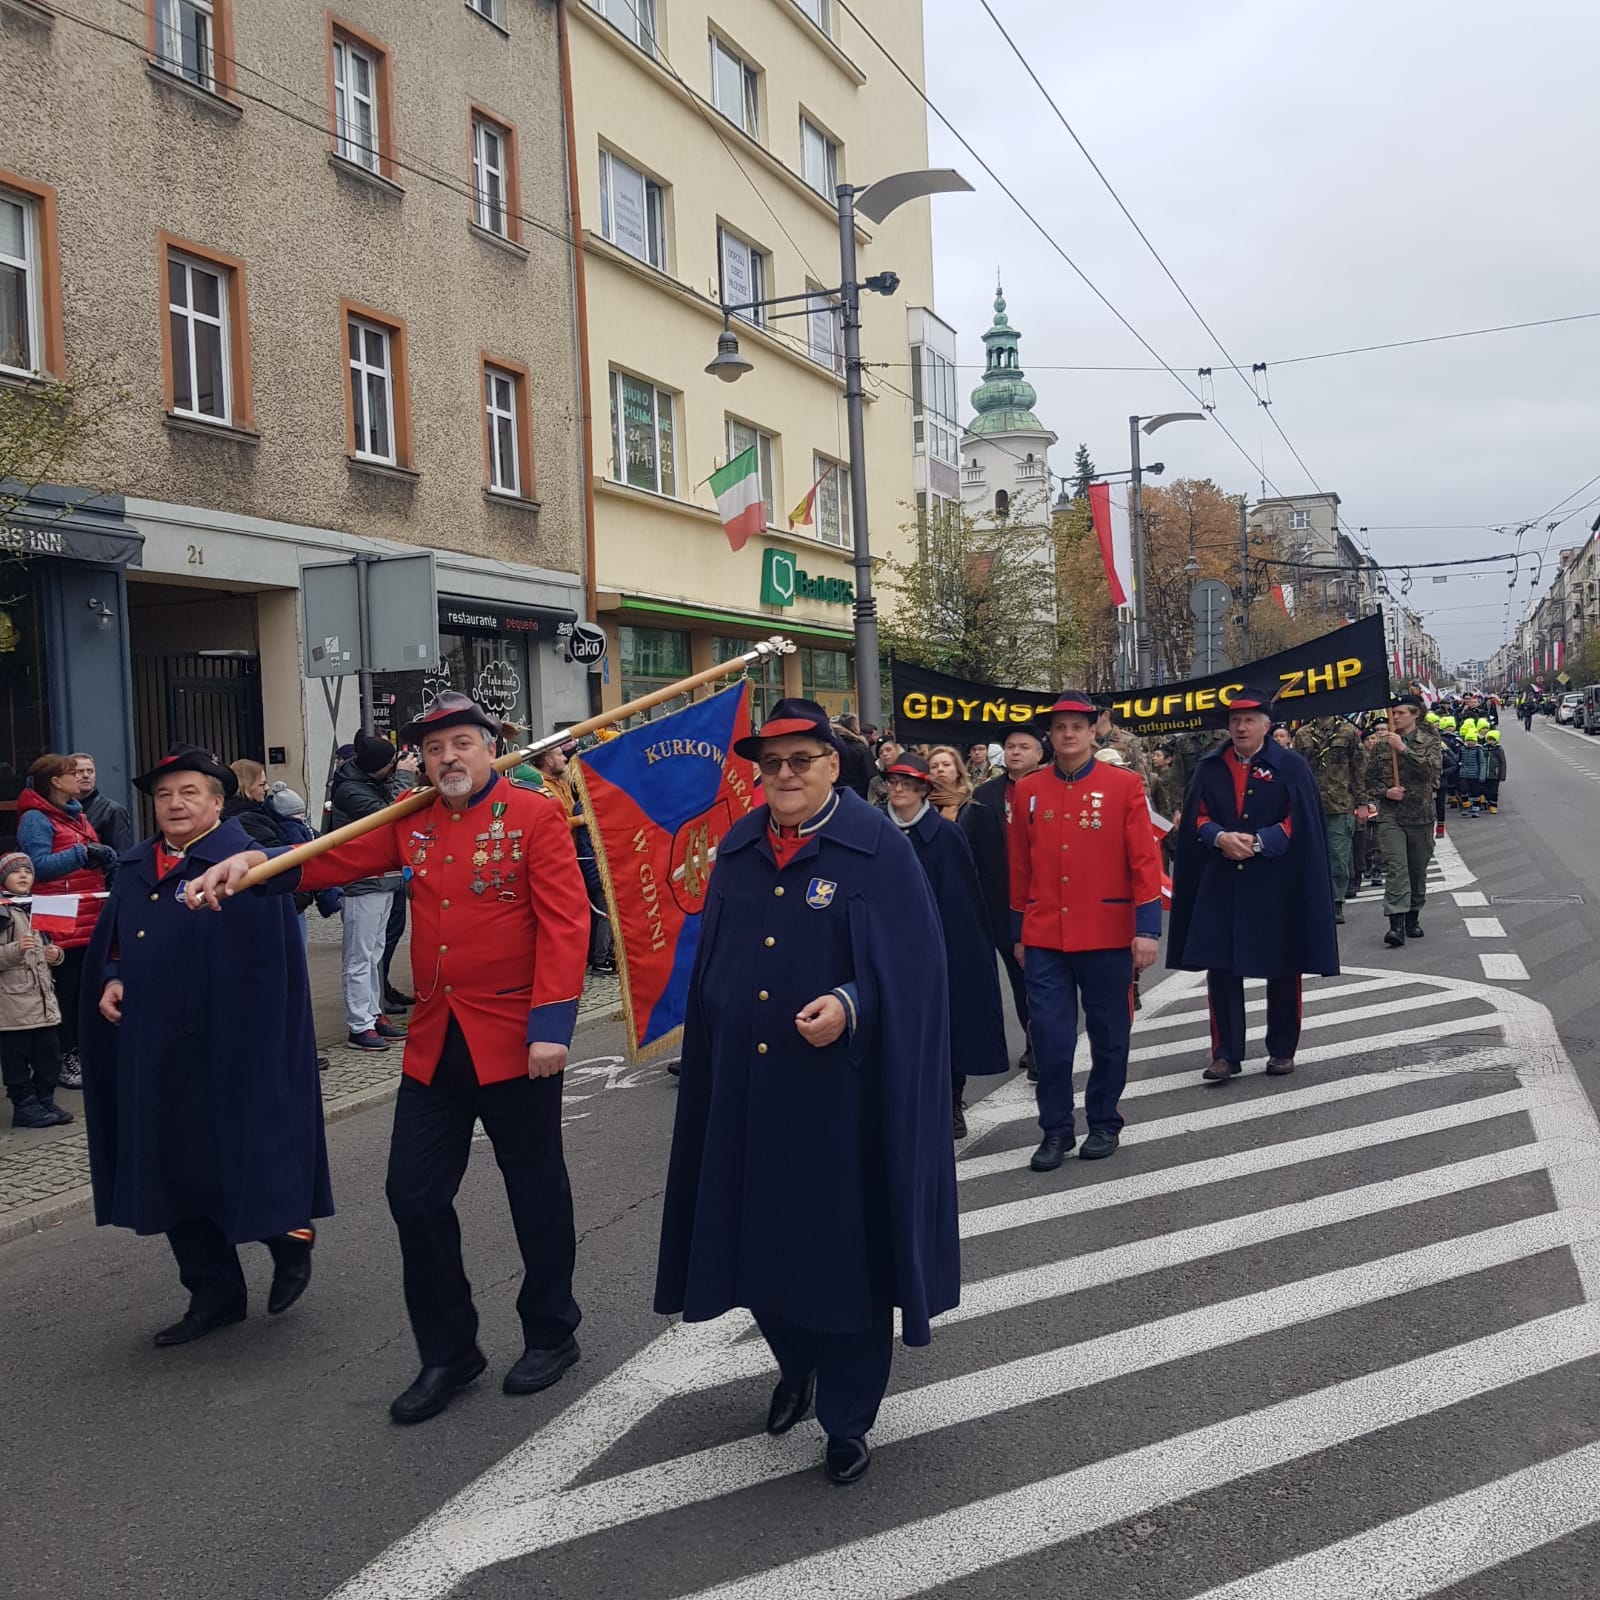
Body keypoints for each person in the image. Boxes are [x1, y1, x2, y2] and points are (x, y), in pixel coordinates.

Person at [189, 692, 591, 1425]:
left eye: (461, 744)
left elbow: (564, 922)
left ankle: (551, 1329)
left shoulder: (533, 815)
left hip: (516, 1038)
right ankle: (450, 1350)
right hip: (437, 1040)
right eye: (434, 749)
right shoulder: (412, 818)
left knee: (535, 1192)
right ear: (421, 761)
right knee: (413, 1194)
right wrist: (254, 861)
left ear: (489, 748)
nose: (448, 758)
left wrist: (552, 1024)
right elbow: (330, 858)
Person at [654, 698, 957, 1487]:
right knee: (756, 1243)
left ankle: (849, 1416)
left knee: (844, 1260)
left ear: (830, 764)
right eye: (772, 764)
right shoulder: (739, 848)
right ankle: (797, 1364)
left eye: (800, 761)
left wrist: (853, 1004)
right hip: (750, 1091)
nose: (785, 775)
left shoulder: (877, 850)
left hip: (842, 1102)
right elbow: (716, 956)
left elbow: (917, 975)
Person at [80, 745, 330, 1347]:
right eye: (164, 795)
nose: (174, 804)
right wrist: (112, 977)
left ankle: (287, 1236)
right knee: (173, 1165)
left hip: (232, 1040)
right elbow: (117, 940)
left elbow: (271, 957)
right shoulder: (136, 865)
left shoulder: (248, 863)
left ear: (218, 803)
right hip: (157, 1045)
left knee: (245, 1147)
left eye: (189, 793)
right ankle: (213, 1292)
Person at [1008, 692, 1163, 1168]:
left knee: (1109, 1035)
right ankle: (1055, 1130)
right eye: (1059, 727)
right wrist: (1019, 930)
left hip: (1107, 931)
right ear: (1050, 735)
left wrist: (1147, 928)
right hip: (1045, 934)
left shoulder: (1123, 785)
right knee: (1050, 1039)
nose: (1068, 734)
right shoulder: (1028, 789)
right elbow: (1019, 865)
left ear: (1093, 730)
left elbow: (1144, 859)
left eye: (1077, 726)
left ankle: (1103, 1121)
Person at [1167, 687, 1339, 1083]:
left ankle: (1282, 1049)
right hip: (1222, 878)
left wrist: (1262, 841)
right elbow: (1196, 816)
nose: (1241, 727)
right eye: (1235, 721)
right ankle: (1225, 1054)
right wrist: (1218, 836)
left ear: (1266, 725)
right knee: (1221, 966)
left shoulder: (1291, 766)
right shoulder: (1210, 766)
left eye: (1248, 720)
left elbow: (1302, 820)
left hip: (1276, 881)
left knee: (1284, 964)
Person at [881, 751, 1008, 1138]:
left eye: (907, 783)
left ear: (923, 790)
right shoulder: (876, 830)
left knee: (948, 1024)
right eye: (893, 782)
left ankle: (951, 1101)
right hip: (886, 946)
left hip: (937, 945)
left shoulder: (945, 834)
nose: (898, 789)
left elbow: (961, 899)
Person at [17, 753, 116, 1090]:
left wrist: (106, 855)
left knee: (87, 987)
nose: (80, 778)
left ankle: (83, 1052)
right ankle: (65, 1057)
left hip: (87, 912)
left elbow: (92, 852)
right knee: (67, 989)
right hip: (59, 914)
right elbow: (37, 866)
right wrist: (83, 854)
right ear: (56, 782)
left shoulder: (76, 815)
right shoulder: (35, 819)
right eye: (73, 773)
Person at [328, 734, 408, 1051]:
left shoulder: (368, 782)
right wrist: (403, 778)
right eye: (391, 764)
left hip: (382, 879)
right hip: (362, 881)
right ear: (379, 767)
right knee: (359, 957)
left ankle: (374, 1015)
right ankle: (359, 1025)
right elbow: (391, 817)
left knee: (374, 954)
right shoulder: (350, 790)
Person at [973, 726, 1045, 1076]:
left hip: (1043, 899)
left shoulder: (1050, 789)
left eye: (1023, 747)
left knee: (1042, 977)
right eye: (1010, 746)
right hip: (1000, 902)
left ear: (1039, 754)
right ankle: (1034, 1042)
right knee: (1019, 977)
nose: (1015, 752)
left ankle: (1045, 1044)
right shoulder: (985, 795)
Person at [0, 850, 71, 1128]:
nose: (23, 876)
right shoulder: (3, 910)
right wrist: (15, 950)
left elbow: (50, 946)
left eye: (28, 871)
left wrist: (56, 955)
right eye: (16, 871)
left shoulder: (38, 906)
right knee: (16, 1062)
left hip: (43, 1002)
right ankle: (25, 1106)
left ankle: (45, 1099)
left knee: (50, 1056)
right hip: (12, 1006)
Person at [1367, 695, 1443, 948]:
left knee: (1417, 870)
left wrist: (1404, 750)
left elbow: (1431, 773)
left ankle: (1413, 916)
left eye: (1401, 713)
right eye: (1393, 713)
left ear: (1415, 714)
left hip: (1420, 815)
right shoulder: (1381, 745)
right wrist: (1385, 792)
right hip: (1391, 816)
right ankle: (1395, 925)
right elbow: (1369, 780)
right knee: (1396, 868)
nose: (1395, 717)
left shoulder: (1430, 741)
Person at [1292, 715, 1369, 927]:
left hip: (1340, 803)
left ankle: (1336, 902)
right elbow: (1294, 771)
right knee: (1311, 856)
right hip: (1310, 803)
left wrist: (1362, 802)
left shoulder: (1348, 732)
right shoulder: (1302, 734)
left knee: (1339, 858)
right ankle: (1317, 901)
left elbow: (1359, 769)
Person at [74, 754, 134, 857]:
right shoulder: (61, 808)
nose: (86, 775)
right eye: (80, 771)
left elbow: (122, 855)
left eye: (90, 771)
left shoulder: (112, 811)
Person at [831, 714, 875, 800]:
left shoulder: (829, 747)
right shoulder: (860, 748)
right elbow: (872, 776)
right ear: (855, 728)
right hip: (860, 797)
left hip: (836, 797)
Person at [865, 740, 902, 811]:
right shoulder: (875, 781)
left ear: (897, 751)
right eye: (881, 752)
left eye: (888, 750)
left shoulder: (908, 776)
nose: (884, 754)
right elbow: (872, 807)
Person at [1483, 728, 1507, 813]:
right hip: (1485, 774)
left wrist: (1502, 775)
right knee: (1485, 790)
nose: (1491, 741)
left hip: (1495, 774)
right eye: (1489, 739)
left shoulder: (1499, 750)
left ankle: (1493, 805)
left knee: (1493, 791)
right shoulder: (1484, 748)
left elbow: (1503, 762)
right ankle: (1487, 802)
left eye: (1493, 740)